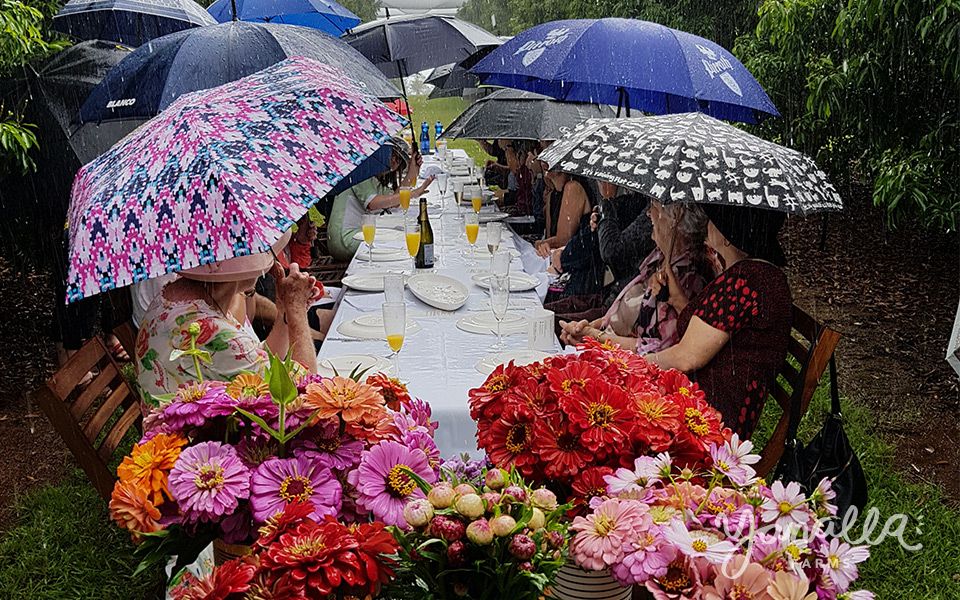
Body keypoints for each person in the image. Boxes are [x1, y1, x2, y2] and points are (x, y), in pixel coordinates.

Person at [645, 205, 792, 438]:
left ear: (727, 235)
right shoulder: (754, 275)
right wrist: (678, 300)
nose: (707, 224)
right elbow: (711, 328)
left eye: (714, 219)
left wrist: (630, 364)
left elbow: (686, 358)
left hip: (709, 424)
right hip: (703, 407)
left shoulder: (746, 280)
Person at [135, 231, 319, 402]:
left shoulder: (179, 296)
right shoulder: (211, 329)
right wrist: (297, 309)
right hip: (199, 436)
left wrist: (285, 314)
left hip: (197, 428)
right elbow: (304, 392)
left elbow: (258, 365)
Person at [558, 202, 715, 353]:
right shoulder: (660, 255)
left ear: (675, 220)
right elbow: (619, 313)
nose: (648, 213)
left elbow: (654, 348)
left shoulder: (687, 276)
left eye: (653, 206)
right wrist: (585, 329)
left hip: (628, 367)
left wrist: (594, 337)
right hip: (609, 347)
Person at [326, 140, 434, 262]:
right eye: (392, 155)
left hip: (360, 233)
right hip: (344, 239)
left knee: (399, 239)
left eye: (398, 160)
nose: (394, 161)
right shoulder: (359, 172)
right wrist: (412, 194)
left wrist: (412, 171)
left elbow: (394, 200)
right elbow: (374, 203)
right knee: (394, 243)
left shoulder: (373, 179)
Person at [593, 183, 655, 302]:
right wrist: (603, 218)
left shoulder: (658, 210)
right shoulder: (639, 200)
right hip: (619, 293)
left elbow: (611, 251)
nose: (650, 213)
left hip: (629, 298)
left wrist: (607, 200)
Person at [535, 167, 593, 257]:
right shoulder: (552, 195)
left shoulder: (573, 187)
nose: (543, 163)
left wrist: (540, 244)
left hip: (577, 259)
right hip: (557, 259)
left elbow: (563, 241)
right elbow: (549, 237)